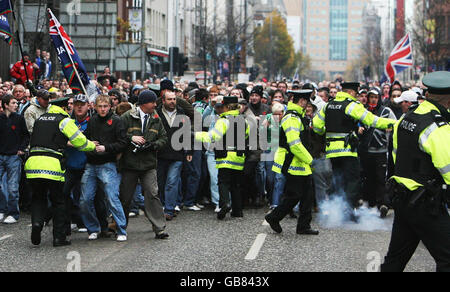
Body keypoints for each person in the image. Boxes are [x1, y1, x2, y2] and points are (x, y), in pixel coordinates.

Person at [381, 71, 450, 272]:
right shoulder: (437, 127)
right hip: (425, 203)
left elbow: (395, 156)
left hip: (402, 196)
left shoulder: (406, 118)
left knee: (395, 259)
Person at [312, 82, 396, 222]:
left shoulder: (328, 105)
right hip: (347, 151)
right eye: (356, 93)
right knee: (353, 181)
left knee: (338, 180)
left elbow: (317, 126)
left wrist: (325, 132)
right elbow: (372, 120)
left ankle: (335, 210)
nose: (357, 95)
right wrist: (395, 123)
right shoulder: (351, 106)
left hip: (332, 152)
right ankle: (348, 210)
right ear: (351, 92)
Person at [25, 105, 95, 247]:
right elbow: (79, 141)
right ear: (63, 108)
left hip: (32, 164)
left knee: (38, 198)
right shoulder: (64, 121)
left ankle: (37, 223)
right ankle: (59, 238)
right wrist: (92, 146)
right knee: (59, 201)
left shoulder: (40, 119)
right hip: (52, 166)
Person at [265, 90, 319, 236]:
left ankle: (303, 226)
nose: (305, 104)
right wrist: (310, 160)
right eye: (303, 101)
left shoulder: (298, 117)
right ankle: (274, 217)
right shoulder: (292, 118)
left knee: (306, 194)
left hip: (299, 163)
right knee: (294, 195)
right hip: (292, 162)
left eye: (306, 102)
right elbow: (294, 144)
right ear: (297, 100)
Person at [119, 90, 169, 240]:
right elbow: (117, 135)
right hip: (129, 164)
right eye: (152, 102)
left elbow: (164, 137)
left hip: (148, 165)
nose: (155, 104)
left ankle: (159, 228)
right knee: (125, 198)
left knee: (152, 194)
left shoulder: (155, 118)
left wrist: (153, 145)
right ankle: (119, 226)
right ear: (143, 103)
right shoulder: (127, 117)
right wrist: (130, 138)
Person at [79, 95, 128, 242]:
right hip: (91, 164)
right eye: (100, 106)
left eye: (105, 106)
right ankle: (93, 228)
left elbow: (123, 142)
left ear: (110, 106)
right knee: (85, 200)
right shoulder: (92, 120)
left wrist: (106, 148)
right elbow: (84, 138)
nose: (102, 109)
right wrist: (89, 144)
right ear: (95, 107)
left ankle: (121, 229)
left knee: (112, 198)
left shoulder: (117, 121)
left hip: (108, 164)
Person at [195, 96, 250, 220]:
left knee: (223, 182)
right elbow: (246, 136)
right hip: (239, 157)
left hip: (225, 156)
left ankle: (225, 204)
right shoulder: (244, 121)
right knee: (236, 184)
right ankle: (237, 211)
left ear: (226, 107)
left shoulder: (224, 120)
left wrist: (194, 135)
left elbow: (213, 136)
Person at [359, 89, 397, 218]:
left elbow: (395, 124)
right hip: (365, 151)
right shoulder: (363, 111)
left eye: (376, 97)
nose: (373, 99)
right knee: (368, 178)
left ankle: (383, 204)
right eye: (371, 97)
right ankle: (370, 203)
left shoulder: (386, 111)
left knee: (381, 178)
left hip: (381, 151)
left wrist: (389, 129)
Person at [156, 91, 193, 220]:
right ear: (163, 100)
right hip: (160, 154)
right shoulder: (156, 114)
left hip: (177, 154)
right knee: (160, 182)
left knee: (172, 181)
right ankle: (161, 205)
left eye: (174, 99)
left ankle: (169, 209)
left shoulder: (182, 113)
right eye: (169, 99)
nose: (172, 101)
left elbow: (187, 133)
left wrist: (188, 151)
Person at [0, 95, 30, 224]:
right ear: (6, 105)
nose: (16, 105)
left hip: (14, 157)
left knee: (12, 187)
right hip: (0, 155)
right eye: (13, 103)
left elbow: (25, 135)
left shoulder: (19, 119)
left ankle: (13, 213)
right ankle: (2, 209)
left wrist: (21, 149)